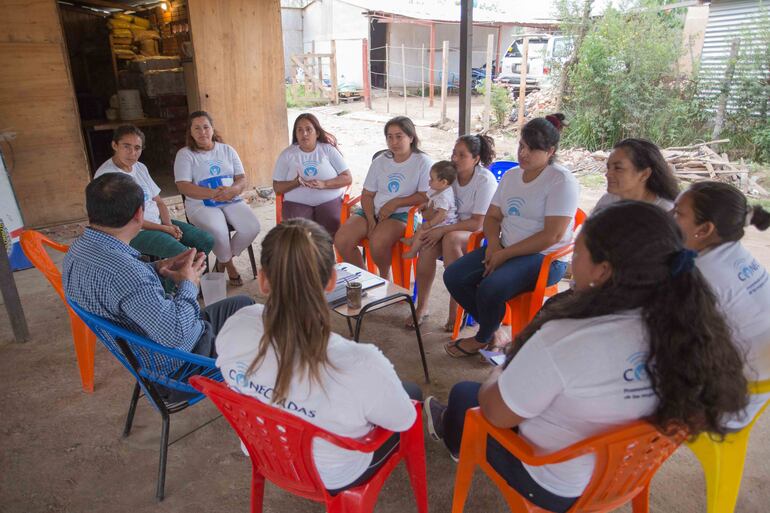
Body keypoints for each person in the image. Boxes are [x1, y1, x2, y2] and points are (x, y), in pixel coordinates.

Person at [425, 201, 748, 513]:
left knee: (466, 395)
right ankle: (451, 426)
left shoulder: (565, 338)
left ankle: (452, 435)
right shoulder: (689, 328)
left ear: (603, 270)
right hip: (627, 471)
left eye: (577, 251)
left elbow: (496, 415)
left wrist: (505, 368)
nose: (570, 262)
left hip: (555, 483)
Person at [216, 218, 421, 493]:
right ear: (331, 281)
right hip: (334, 475)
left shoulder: (236, 324)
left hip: (263, 451)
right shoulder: (362, 363)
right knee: (412, 392)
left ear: (263, 280)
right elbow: (404, 420)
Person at [63, 173, 253, 377]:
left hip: (146, 348)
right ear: (139, 215)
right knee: (256, 325)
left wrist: (158, 267)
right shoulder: (126, 273)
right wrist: (189, 283)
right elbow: (175, 334)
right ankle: (253, 389)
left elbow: (124, 287)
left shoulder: (78, 250)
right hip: (180, 365)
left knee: (243, 304)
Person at [443, 114, 579, 357]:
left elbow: (552, 235)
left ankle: (482, 337)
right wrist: (494, 246)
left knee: (490, 287)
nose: (523, 154)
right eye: (522, 146)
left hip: (544, 257)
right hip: (505, 247)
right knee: (454, 276)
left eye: (531, 149)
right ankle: (493, 329)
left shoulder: (561, 180)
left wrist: (504, 254)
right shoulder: (511, 176)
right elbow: (493, 217)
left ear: (550, 151)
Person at [673, 181, 770, 429]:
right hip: (756, 387)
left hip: (728, 403)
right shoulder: (737, 255)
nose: (669, 217)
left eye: (678, 214)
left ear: (704, 229)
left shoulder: (700, 276)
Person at [410, 134, 498, 329]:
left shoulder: (485, 181)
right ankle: (422, 307)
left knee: (451, 239)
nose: (455, 159)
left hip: (476, 233)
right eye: (453, 153)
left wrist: (443, 230)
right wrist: (428, 210)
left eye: (462, 155)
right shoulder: (450, 176)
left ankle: (457, 310)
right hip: (451, 227)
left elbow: (477, 223)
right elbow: (438, 205)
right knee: (426, 247)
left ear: (475, 159)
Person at [94, 125, 214, 260]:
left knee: (205, 240)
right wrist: (164, 229)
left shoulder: (140, 167)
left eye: (137, 148)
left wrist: (168, 225)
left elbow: (159, 202)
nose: (132, 153)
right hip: (131, 232)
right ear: (115, 145)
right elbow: (128, 219)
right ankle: (170, 278)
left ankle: (189, 276)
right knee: (181, 255)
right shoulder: (107, 176)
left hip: (157, 222)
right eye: (126, 146)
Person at [334, 116, 433, 280]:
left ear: (411, 137)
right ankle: (364, 279)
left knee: (378, 242)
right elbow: (367, 194)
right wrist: (371, 218)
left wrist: (396, 202)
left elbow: (424, 196)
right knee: (342, 240)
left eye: (399, 136)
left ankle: (384, 278)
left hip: (402, 214)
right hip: (372, 210)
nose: (394, 142)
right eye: (389, 137)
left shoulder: (422, 162)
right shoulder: (381, 161)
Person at [174, 111, 260, 286]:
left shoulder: (227, 150)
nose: (202, 132)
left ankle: (222, 261)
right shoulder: (185, 154)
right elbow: (183, 186)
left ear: (212, 129)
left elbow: (242, 178)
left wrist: (233, 190)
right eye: (196, 128)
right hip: (200, 204)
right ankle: (230, 267)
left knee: (252, 227)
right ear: (190, 132)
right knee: (219, 231)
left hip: (230, 199)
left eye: (206, 127)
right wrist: (212, 193)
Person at [272, 113, 353, 236]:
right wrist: (296, 182)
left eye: (308, 129)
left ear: (317, 133)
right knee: (295, 233)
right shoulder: (287, 155)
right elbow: (277, 187)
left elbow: (347, 178)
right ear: (296, 134)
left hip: (328, 200)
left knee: (332, 227)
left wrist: (324, 184)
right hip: (297, 203)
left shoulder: (328, 150)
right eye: (300, 130)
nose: (304, 134)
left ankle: (324, 254)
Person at [593, 138, 678, 212]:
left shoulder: (665, 212)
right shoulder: (606, 202)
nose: (608, 174)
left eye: (618, 168)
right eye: (608, 167)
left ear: (644, 174)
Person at [401, 160, 458, 259]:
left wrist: (430, 224)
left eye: (432, 179)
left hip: (446, 223)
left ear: (444, 182)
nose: (429, 181)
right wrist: (425, 205)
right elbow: (431, 201)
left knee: (424, 229)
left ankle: (413, 251)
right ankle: (413, 239)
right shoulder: (436, 189)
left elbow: (442, 215)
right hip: (438, 220)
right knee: (422, 228)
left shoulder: (444, 197)